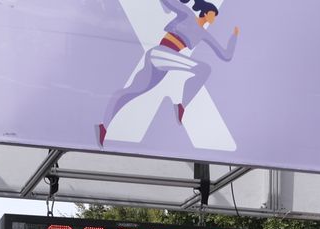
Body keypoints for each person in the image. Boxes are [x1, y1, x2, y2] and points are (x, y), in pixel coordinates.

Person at [98, 0, 240, 146]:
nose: (214, 18)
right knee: (204, 69)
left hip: (163, 64)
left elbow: (225, 55)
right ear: (206, 12)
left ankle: (103, 127)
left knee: (131, 92)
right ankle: (181, 105)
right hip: (161, 53)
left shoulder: (203, 34)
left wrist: (234, 37)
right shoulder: (188, 15)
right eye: (213, 14)